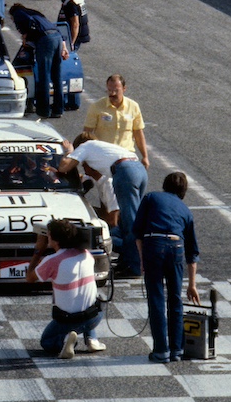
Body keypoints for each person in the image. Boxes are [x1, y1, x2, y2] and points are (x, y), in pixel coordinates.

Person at [135, 172, 201, 363]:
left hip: (153, 245)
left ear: (165, 184)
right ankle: (177, 350)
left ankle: (161, 351)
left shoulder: (151, 198)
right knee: (175, 299)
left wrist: (141, 260)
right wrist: (192, 284)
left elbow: (138, 232)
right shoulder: (185, 210)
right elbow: (192, 252)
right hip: (177, 247)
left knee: (156, 299)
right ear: (184, 190)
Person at [61, 134, 148, 277]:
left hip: (125, 171)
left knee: (130, 222)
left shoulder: (85, 147)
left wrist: (69, 152)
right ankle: (127, 261)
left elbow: (64, 167)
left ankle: (135, 267)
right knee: (132, 220)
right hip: (138, 169)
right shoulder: (102, 149)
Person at [25, 219, 105, 359]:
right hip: (95, 317)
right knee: (93, 297)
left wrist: (38, 250)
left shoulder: (52, 261)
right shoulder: (86, 254)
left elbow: (30, 278)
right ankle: (92, 339)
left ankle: (65, 341)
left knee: (47, 342)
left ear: (53, 239)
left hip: (68, 320)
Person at [9, 3, 68, 118]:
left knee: (44, 76)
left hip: (46, 40)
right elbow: (55, 29)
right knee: (56, 76)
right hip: (57, 38)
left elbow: (30, 25)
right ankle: (58, 109)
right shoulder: (36, 13)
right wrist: (64, 47)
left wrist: (25, 36)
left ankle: (43, 110)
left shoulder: (18, 13)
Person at [82, 74, 150, 166]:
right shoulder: (96, 107)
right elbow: (87, 133)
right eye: (109, 90)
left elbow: (138, 133)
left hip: (126, 156)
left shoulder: (133, 107)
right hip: (104, 155)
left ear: (124, 89)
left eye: (116, 90)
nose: (112, 93)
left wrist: (145, 157)